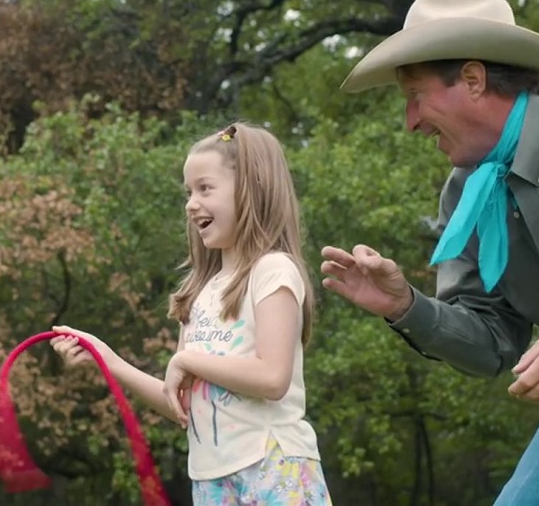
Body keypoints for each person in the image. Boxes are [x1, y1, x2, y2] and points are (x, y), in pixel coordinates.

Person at [320, 0, 539, 504]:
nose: (411, 121)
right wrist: (406, 307)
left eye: (415, 97)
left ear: (473, 79)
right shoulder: (465, 196)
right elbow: (491, 344)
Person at [51, 122, 333, 505]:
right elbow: (179, 404)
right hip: (210, 479)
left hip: (273, 465)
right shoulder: (200, 293)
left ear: (252, 189)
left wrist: (188, 359)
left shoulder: (272, 271)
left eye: (205, 188)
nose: (191, 203)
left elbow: (273, 377)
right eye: (188, 192)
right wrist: (107, 359)